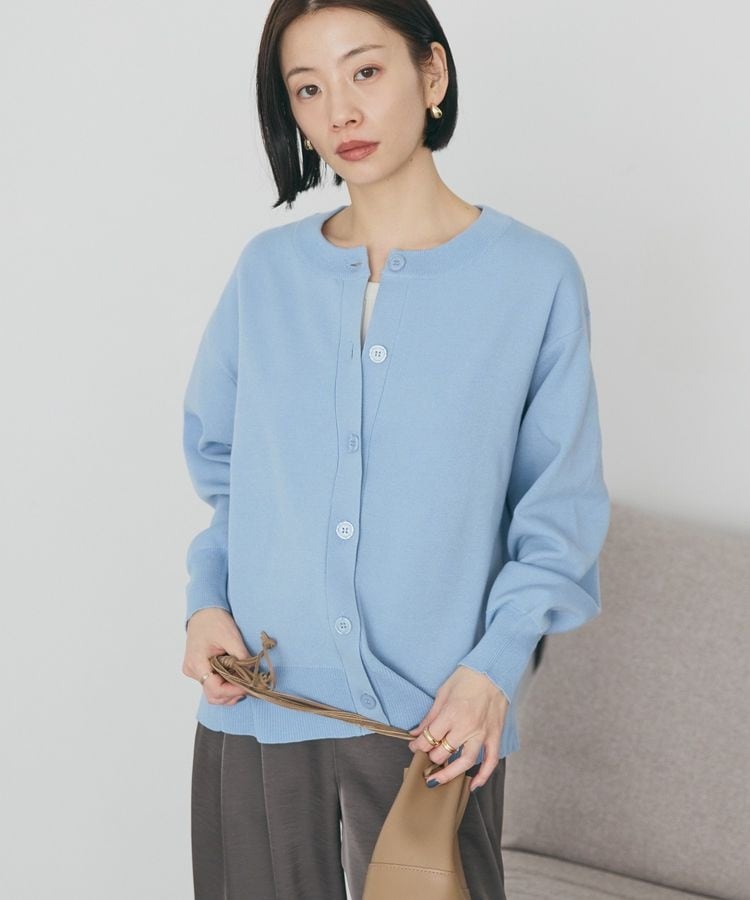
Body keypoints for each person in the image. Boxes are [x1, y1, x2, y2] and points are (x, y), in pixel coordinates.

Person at [181, 2, 611, 898]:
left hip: (434, 730)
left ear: (432, 73)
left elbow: (557, 519)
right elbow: (233, 481)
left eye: (366, 71)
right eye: (308, 89)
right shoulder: (267, 273)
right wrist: (204, 608)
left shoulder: (533, 279)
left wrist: (492, 673)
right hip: (259, 708)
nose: (340, 110)